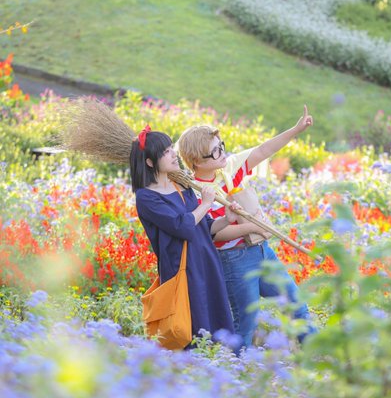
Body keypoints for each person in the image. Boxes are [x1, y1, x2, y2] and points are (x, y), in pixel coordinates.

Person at [59, 99, 236, 346]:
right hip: (183, 270)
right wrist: (205, 203)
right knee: (192, 328)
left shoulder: (180, 184)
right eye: (166, 152)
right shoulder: (147, 198)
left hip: (206, 262)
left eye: (171, 148)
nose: (174, 154)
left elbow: (204, 227)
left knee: (218, 324)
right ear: (150, 162)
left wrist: (226, 219)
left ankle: (222, 365)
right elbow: (183, 226)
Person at [177, 105, 317, 349]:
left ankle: (316, 353)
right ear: (197, 161)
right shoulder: (196, 193)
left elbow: (263, 150)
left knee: (296, 305)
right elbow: (215, 234)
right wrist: (251, 226)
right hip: (234, 259)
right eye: (215, 151)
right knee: (245, 324)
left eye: (221, 146)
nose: (222, 153)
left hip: (262, 251)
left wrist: (295, 130)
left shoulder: (229, 169)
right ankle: (234, 368)